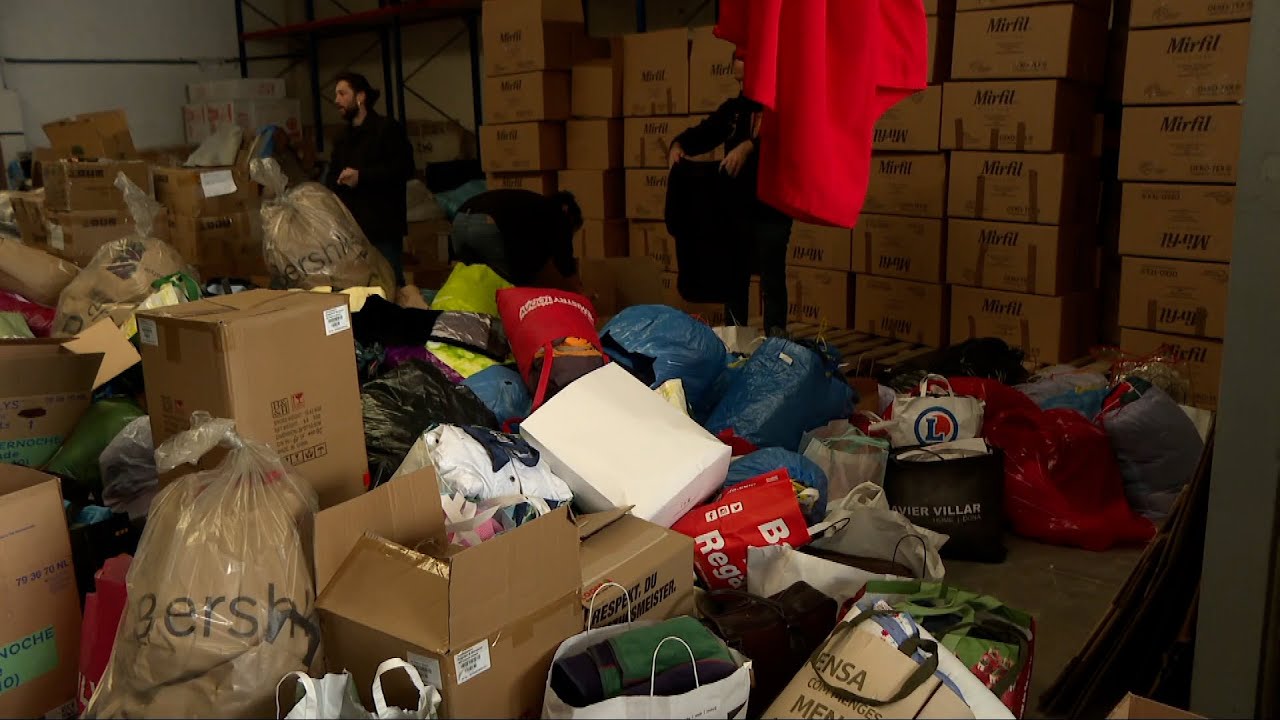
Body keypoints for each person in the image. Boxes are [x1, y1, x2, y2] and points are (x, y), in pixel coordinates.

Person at [668, 56, 793, 337]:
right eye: (737, 80)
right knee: (735, 277)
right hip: (737, 209)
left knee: (772, 277)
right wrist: (679, 145)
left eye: (745, 79)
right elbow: (705, 132)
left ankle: (776, 340)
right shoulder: (735, 111)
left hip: (773, 209)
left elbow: (784, 141)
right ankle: (736, 341)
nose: (741, 85)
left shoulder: (781, 108)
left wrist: (748, 147)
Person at [325, 72, 415, 286]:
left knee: (390, 282)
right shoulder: (342, 138)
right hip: (352, 231)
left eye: (342, 93)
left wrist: (362, 177)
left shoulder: (386, 129)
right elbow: (330, 176)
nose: (337, 100)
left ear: (360, 96)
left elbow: (404, 168)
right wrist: (337, 182)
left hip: (382, 226)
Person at [451, 188, 586, 292]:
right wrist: (581, 294)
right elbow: (564, 260)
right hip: (486, 224)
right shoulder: (558, 217)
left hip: (460, 218)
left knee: (471, 280)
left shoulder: (533, 209)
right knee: (506, 285)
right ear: (570, 217)